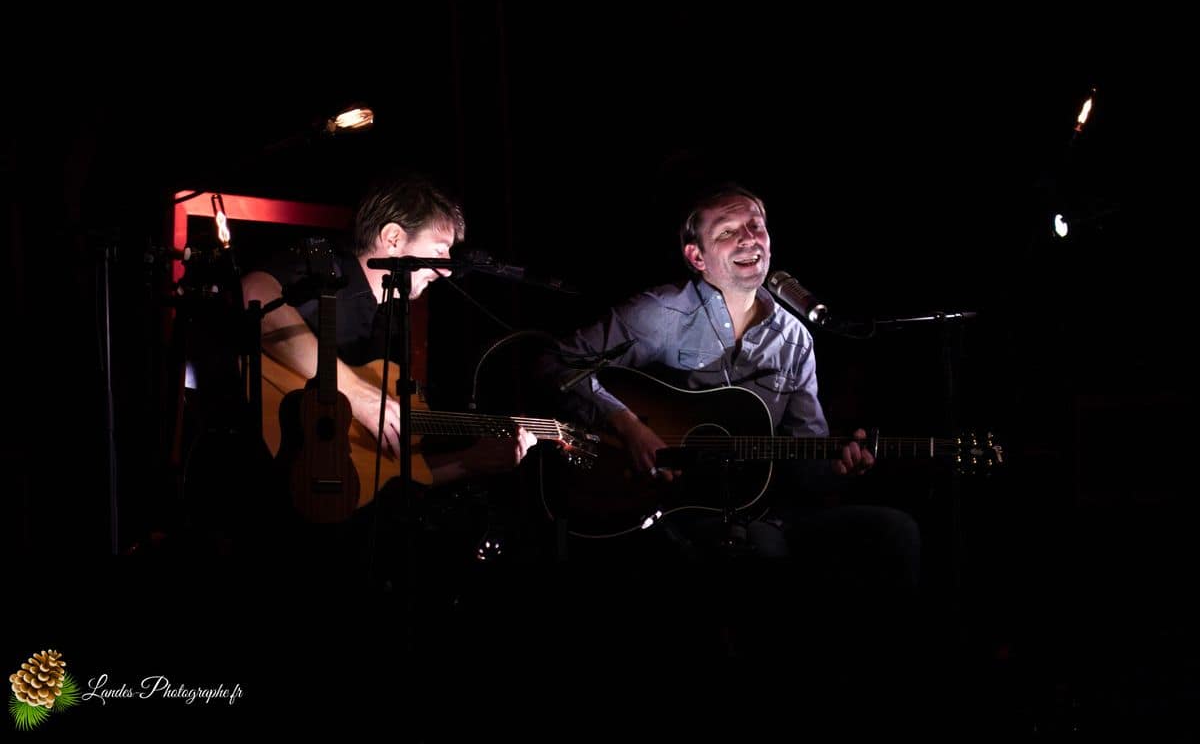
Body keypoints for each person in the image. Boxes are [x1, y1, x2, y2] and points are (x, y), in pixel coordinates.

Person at [545, 182, 922, 668]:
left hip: (763, 508)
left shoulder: (795, 339)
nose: (749, 239)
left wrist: (840, 466)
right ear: (696, 257)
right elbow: (555, 363)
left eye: (756, 227)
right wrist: (628, 425)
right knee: (761, 563)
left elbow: (808, 455)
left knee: (896, 531)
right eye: (728, 232)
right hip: (672, 507)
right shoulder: (659, 314)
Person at [242, 172, 537, 488]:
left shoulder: (391, 323)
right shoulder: (328, 265)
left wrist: (468, 463)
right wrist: (357, 394)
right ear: (394, 238)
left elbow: (376, 479)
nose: (446, 269)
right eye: (439, 250)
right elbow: (253, 292)